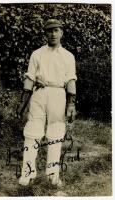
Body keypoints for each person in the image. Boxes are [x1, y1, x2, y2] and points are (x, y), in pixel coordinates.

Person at [17, 19, 77, 187]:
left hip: (58, 93)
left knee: (56, 133)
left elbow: (71, 80)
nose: (53, 34)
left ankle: (52, 174)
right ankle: (27, 173)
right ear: (45, 33)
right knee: (32, 133)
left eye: (56, 30)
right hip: (39, 93)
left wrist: (71, 104)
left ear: (61, 32)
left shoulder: (68, 56)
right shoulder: (37, 54)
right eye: (49, 31)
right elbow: (30, 78)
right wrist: (23, 100)